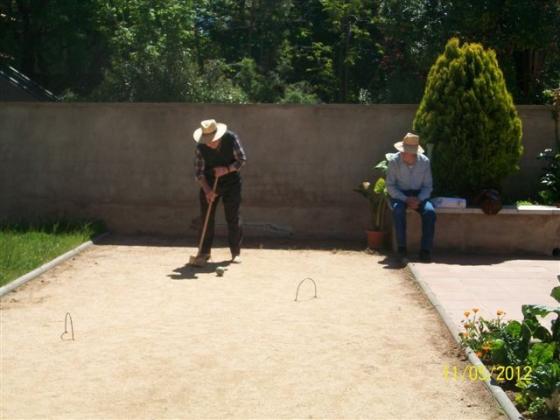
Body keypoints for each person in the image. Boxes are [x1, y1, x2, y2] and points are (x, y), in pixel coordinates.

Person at [193, 119, 246, 263]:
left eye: (212, 140)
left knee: (233, 217)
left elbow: (241, 159)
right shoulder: (200, 147)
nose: (209, 144)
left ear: (219, 136)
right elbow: (199, 173)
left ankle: (236, 253)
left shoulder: (231, 138)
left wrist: (226, 169)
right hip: (210, 182)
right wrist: (207, 190)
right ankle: (204, 252)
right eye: (207, 141)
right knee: (206, 217)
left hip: (232, 182)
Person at [386, 132, 436, 262]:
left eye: (405, 151)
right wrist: (405, 199)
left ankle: (425, 250)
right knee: (398, 211)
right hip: (400, 194)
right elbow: (390, 186)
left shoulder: (424, 162)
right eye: (402, 150)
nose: (402, 153)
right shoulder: (394, 161)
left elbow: (428, 186)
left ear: (414, 153)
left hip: (419, 194)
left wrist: (419, 199)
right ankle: (401, 249)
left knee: (430, 212)